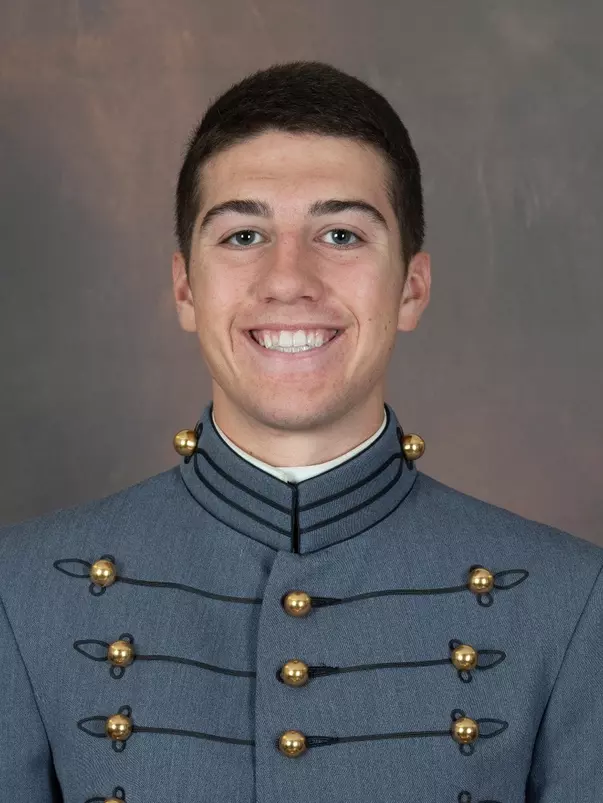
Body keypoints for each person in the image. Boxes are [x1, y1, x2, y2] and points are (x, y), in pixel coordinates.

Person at [0, 60, 601, 803]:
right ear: (185, 286)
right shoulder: (19, 592)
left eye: (341, 233)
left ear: (410, 288)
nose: (289, 278)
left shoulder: (575, 601)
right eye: (245, 233)